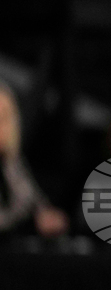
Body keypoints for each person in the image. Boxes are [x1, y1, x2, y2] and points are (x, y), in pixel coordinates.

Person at [0, 81, 69, 243]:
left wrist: (48, 216)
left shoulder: (11, 164)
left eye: (4, 118)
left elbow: (35, 203)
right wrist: (30, 224)